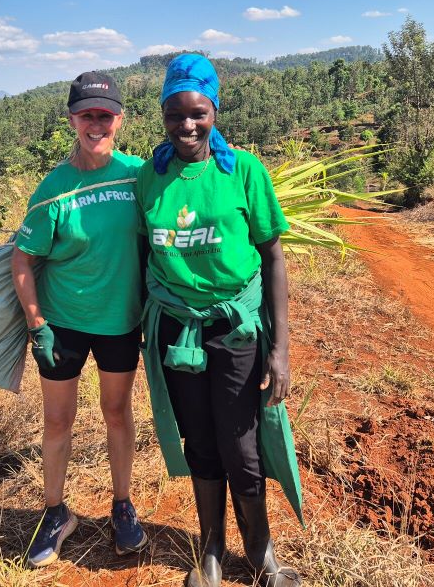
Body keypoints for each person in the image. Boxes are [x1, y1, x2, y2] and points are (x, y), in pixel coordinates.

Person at [136, 54, 302, 587]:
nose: (186, 126)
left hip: (234, 329)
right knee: (200, 442)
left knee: (241, 444)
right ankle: (210, 550)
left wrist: (280, 351)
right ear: (163, 116)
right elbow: (142, 256)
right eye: (175, 116)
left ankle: (260, 553)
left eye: (197, 113)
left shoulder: (245, 172)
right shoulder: (150, 177)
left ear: (214, 110)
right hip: (176, 332)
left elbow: (273, 256)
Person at [11, 71, 148, 567]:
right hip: (63, 323)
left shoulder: (139, 177)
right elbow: (23, 259)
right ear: (72, 120)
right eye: (87, 114)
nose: (96, 123)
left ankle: (122, 505)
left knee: (117, 412)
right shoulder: (54, 189)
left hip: (120, 321)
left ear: (120, 119)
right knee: (57, 420)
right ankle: (55, 512)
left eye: (105, 114)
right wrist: (36, 324)